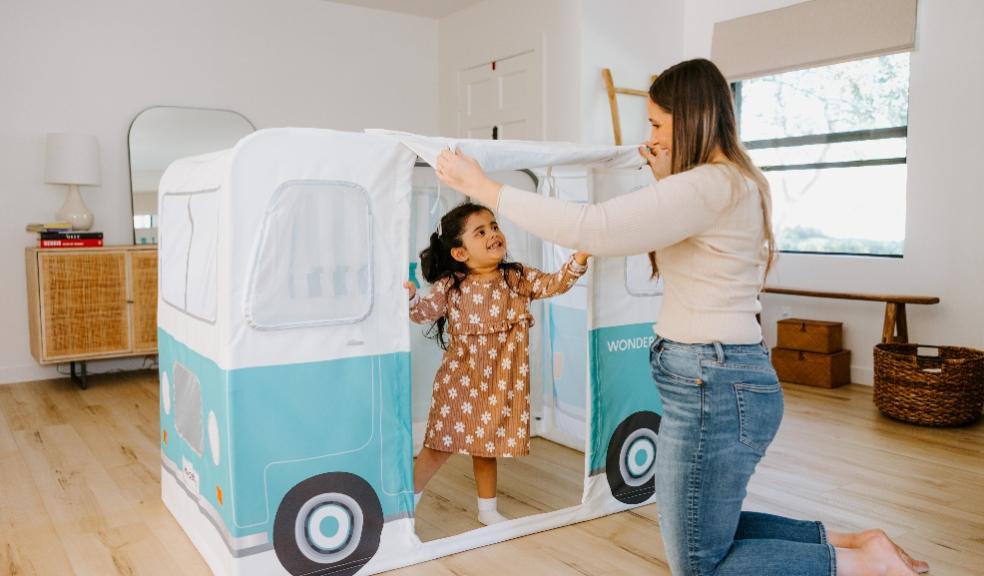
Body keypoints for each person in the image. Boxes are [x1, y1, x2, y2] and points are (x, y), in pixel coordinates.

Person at [433, 58, 928, 575]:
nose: (652, 136)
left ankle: (868, 567)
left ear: (689, 118)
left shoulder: (711, 186)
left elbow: (594, 227)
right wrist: (667, 175)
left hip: (714, 380)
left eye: (656, 124)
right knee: (697, 527)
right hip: (713, 375)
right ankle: (854, 546)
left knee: (699, 564)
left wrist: (487, 188)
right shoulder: (727, 182)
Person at [406, 201, 589, 525]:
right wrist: (410, 297)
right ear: (460, 253)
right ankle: (406, 509)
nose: (493, 234)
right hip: (459, 380)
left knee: (485, 445)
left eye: (494, 226)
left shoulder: (515, 278)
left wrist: (579, 258)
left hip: (498, 381)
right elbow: (422, 313)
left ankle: (487, 511)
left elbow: (554, 283)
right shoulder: (452, 286)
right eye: (481, 232)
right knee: (437, 445)